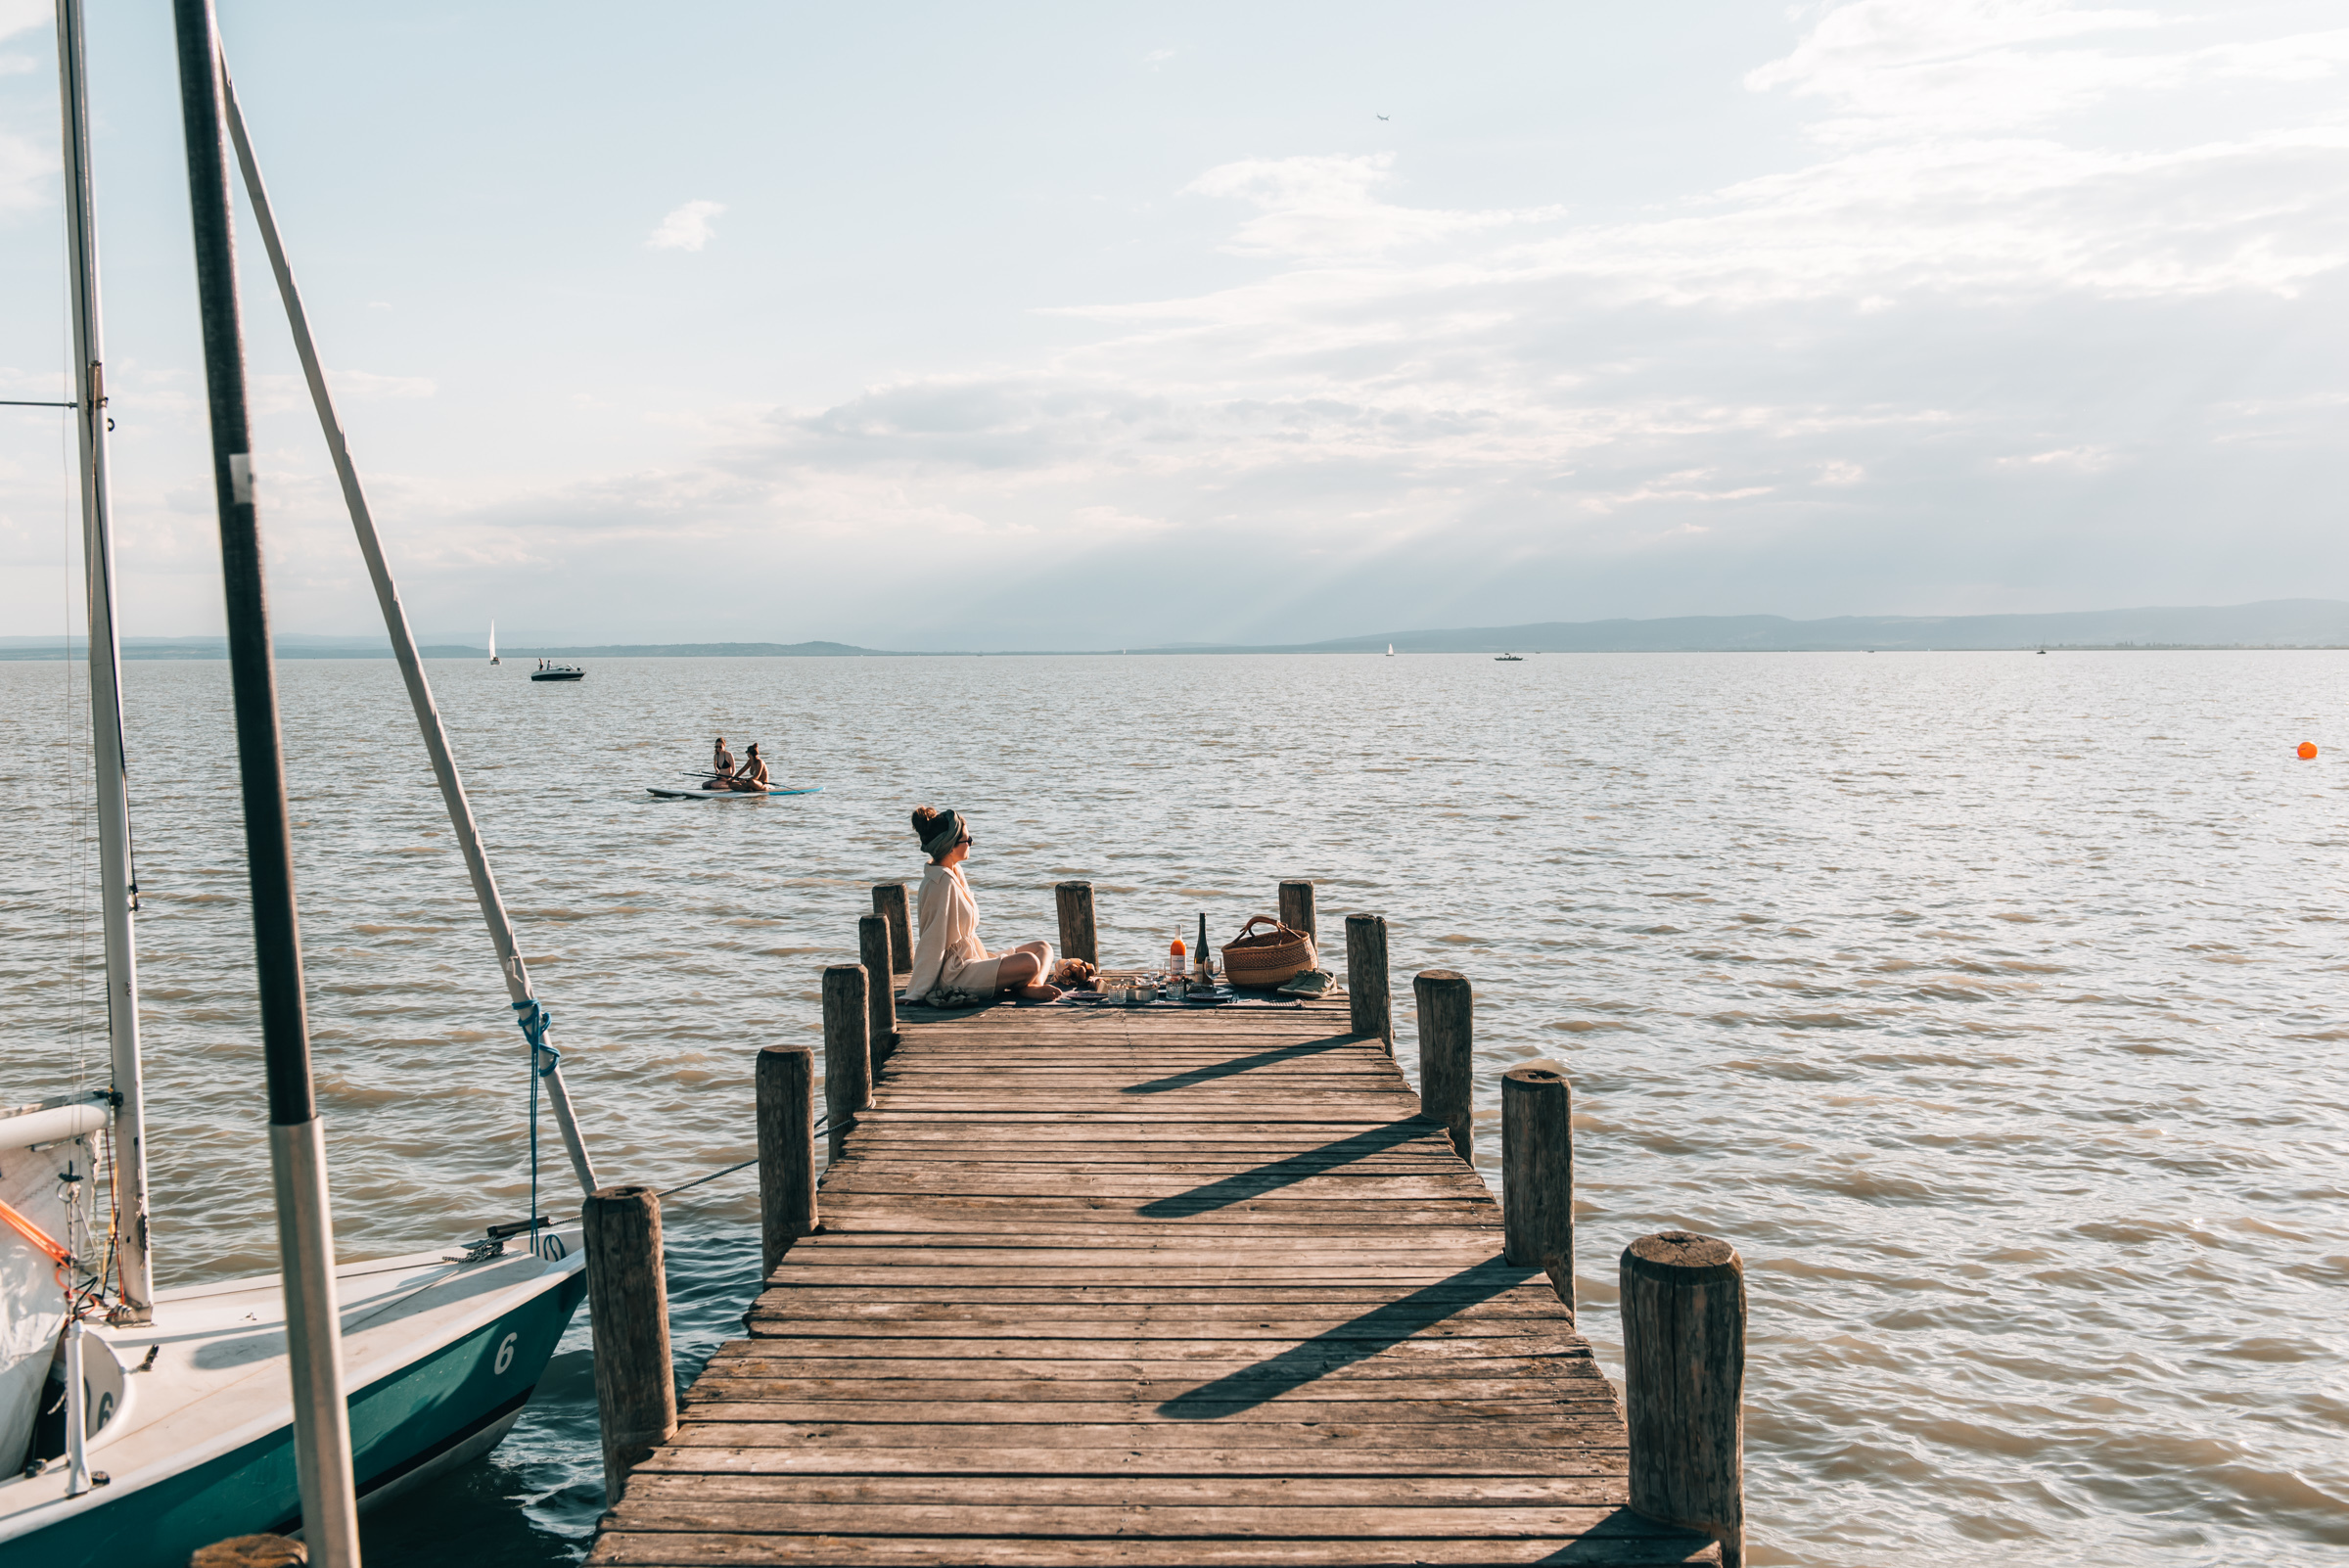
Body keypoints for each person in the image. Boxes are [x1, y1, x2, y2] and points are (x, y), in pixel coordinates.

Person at [902, 807, 1060, 1005]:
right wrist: (917, 991)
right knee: (1030, 962)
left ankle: (1030, 987)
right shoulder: (941, 884)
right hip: (955, 974)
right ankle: (1024, 984)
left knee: (1043, 948)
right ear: (951, 846)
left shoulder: (954, 872)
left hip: (974, 957)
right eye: (967, 840)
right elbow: (932, 939)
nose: (970, 843)